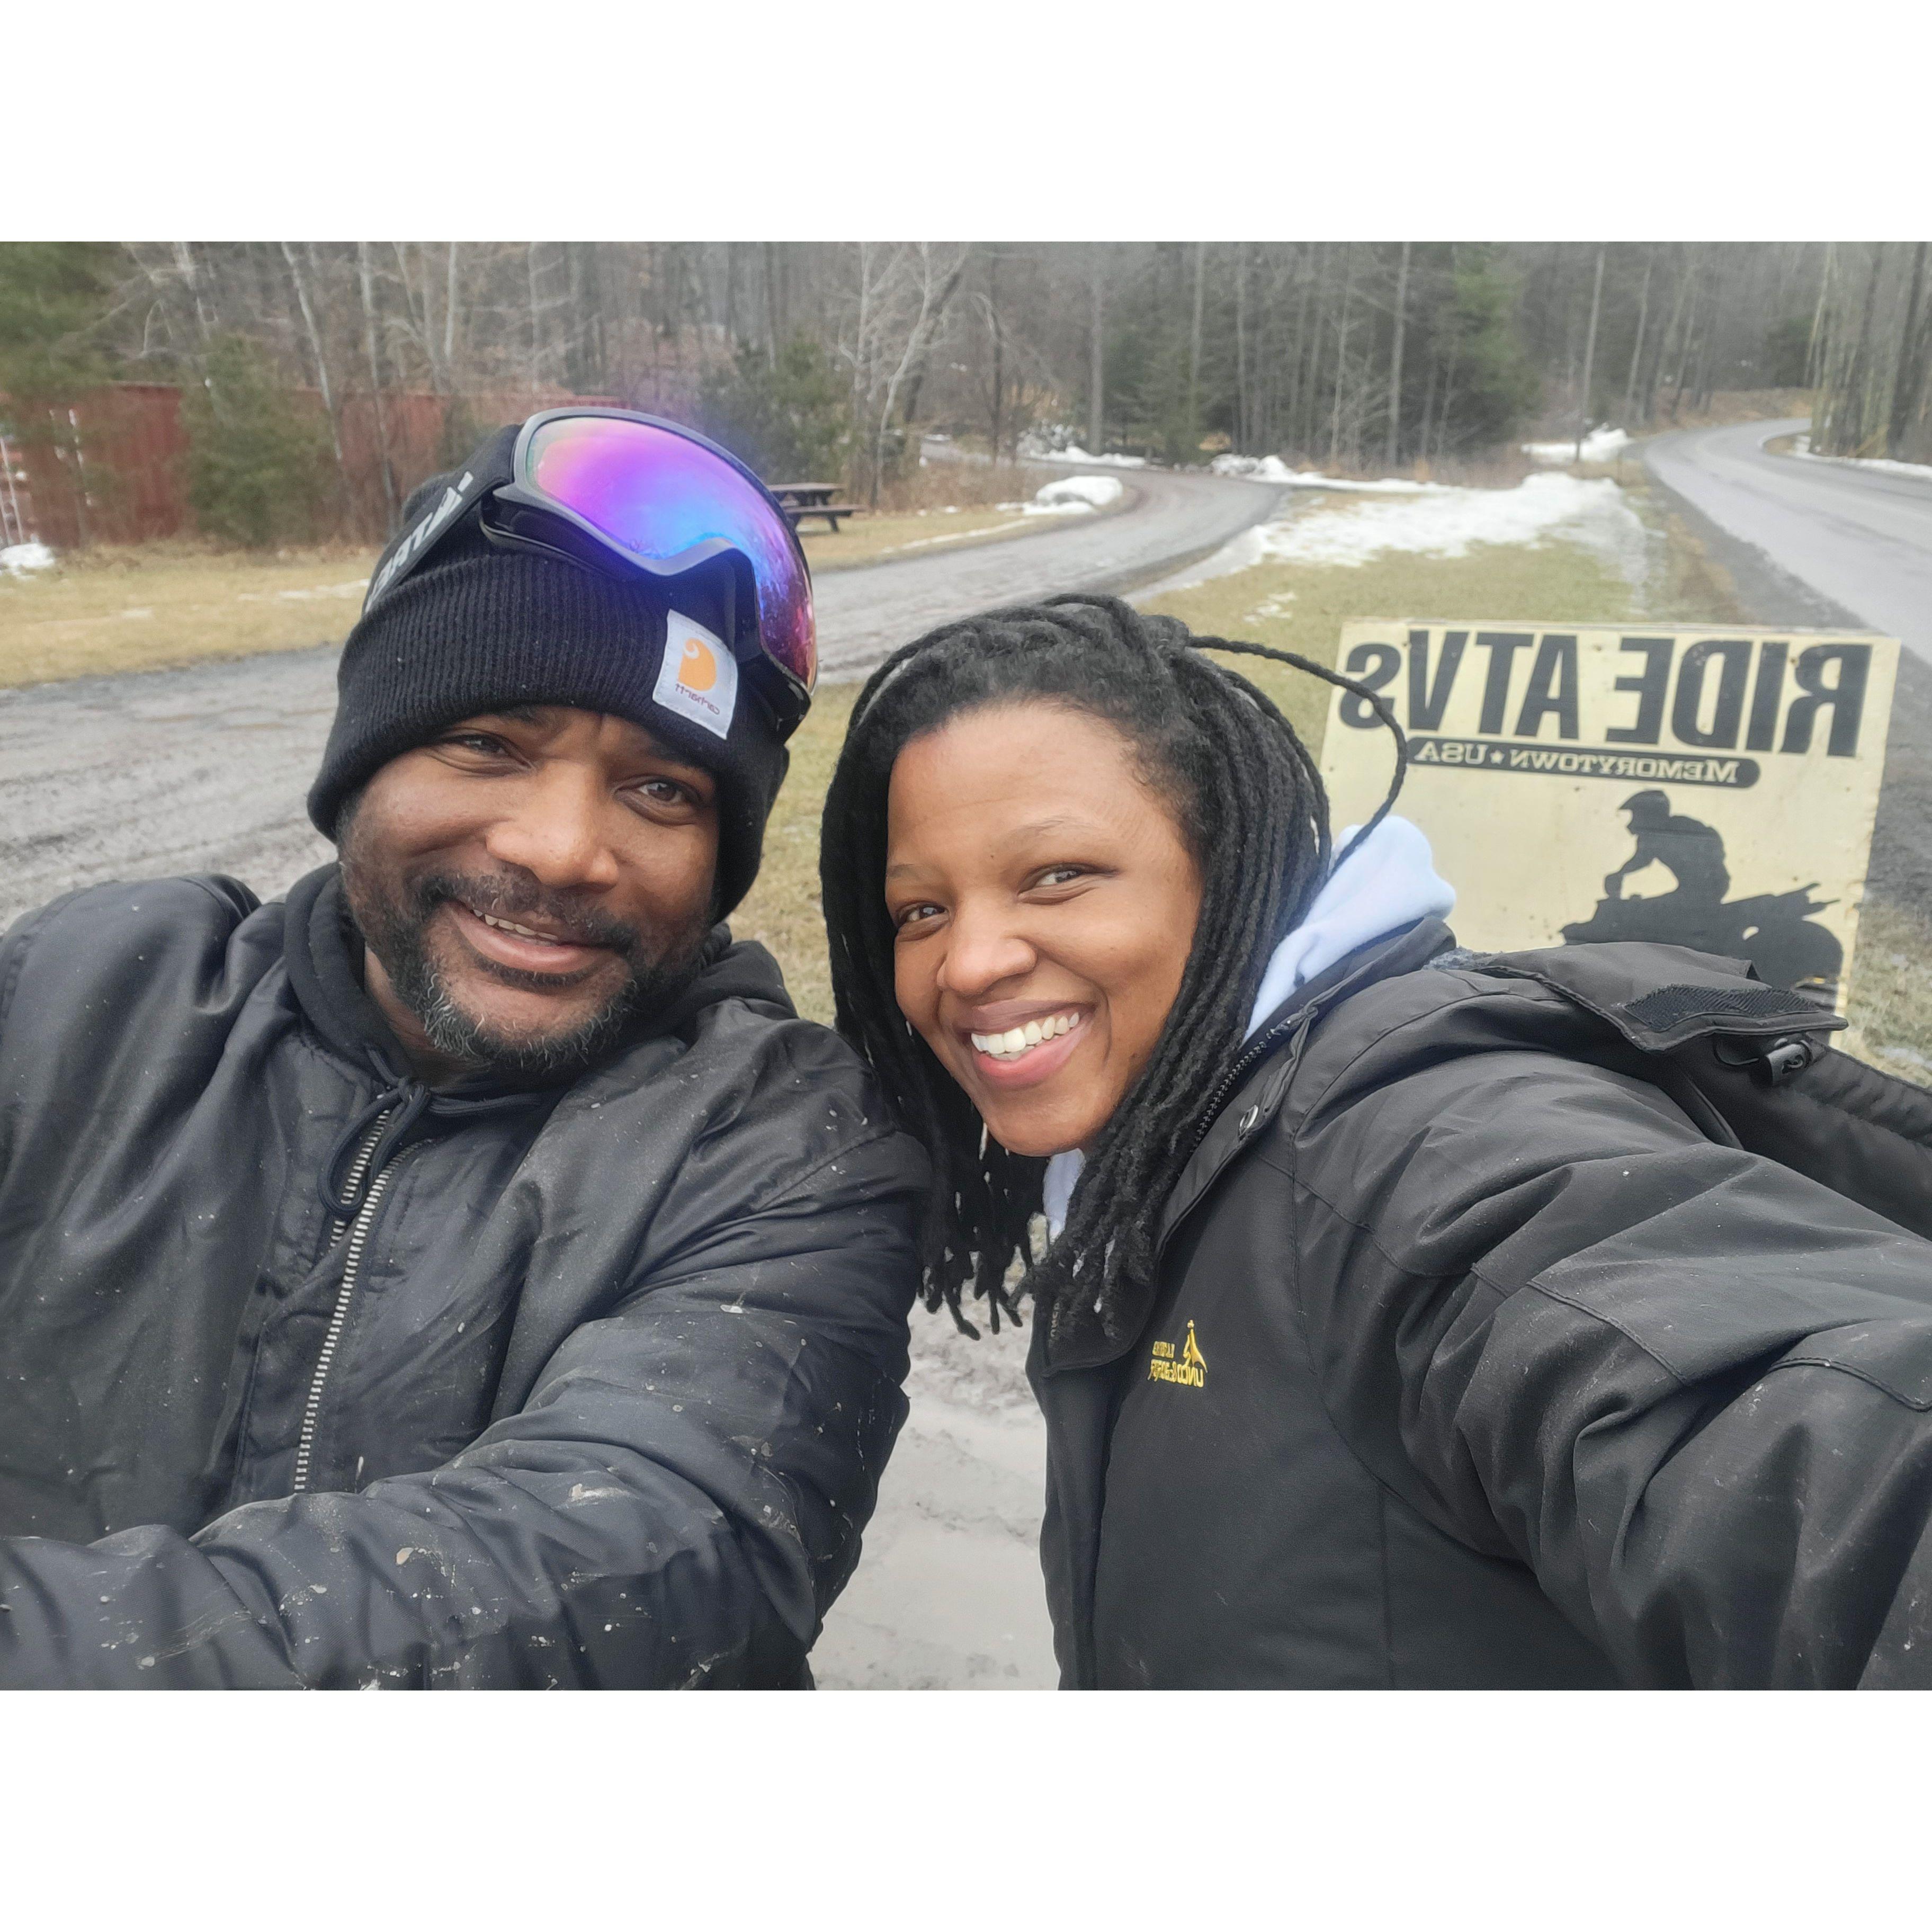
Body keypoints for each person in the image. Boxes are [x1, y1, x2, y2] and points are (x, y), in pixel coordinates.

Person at [820, 594, 1932, 1689]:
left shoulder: (1418, 1138)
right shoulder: (1152, 1145)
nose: (966, 965)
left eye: (1056, 876)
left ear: (1232, 868)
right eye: (921, 910)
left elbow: (1807, 1455)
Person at [0, 408, 926, 1689]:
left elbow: (650, 1563)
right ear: (360, 766)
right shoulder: (85, 989)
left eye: (661, 788)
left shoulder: (781, 1141)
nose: (560, 848)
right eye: (488, 744)